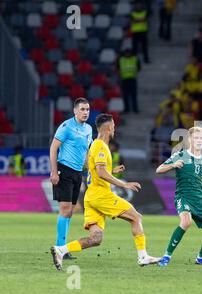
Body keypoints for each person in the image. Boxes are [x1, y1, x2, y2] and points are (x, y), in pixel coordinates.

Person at [51, 114, 160, 270]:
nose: (115, 128)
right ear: (109, 128)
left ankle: (61, 250)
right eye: (114, 125)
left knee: (96, 238)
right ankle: (143, 256)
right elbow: (101, 173)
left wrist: (111, 170)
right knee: (136, 217)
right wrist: (124, 184)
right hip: (100, 194)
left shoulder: (95, 145)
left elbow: (93, 168)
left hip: (91, 196)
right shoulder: (101, 146)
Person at [156, 127, 202, 266]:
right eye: (196, 138)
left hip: (198, 201)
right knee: (186, 222)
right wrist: (173, 165)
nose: (199, 140)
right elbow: (159, 169)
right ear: (189, 139)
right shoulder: (180, 155)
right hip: (183, 197)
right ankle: (166, 257)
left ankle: (200, 258)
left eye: (201, 138)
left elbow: (201, 182)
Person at [49, 98, 93, 260]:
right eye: (82, 109)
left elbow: (87, 155)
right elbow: (54, 148)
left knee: (70, 212)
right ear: (75, 111)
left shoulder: (88, 129)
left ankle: (62, 248)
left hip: (77, 173)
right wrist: (54, 172)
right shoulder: (66, 126)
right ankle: (60, 247)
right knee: (65, 210)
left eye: (87, 109)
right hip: (63, 170)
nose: (85, 112)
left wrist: (94, 170)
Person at [118, 48, 141, 114]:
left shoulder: (135, 59)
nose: (127, 54)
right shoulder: (121, 60)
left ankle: (135, 109)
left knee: (133, 95)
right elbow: (118, 68)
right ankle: (127, 109)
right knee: (125, 95)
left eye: (128, 53)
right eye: (126, 53)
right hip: (124, 79)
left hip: (132, 79)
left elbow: (139, 67)